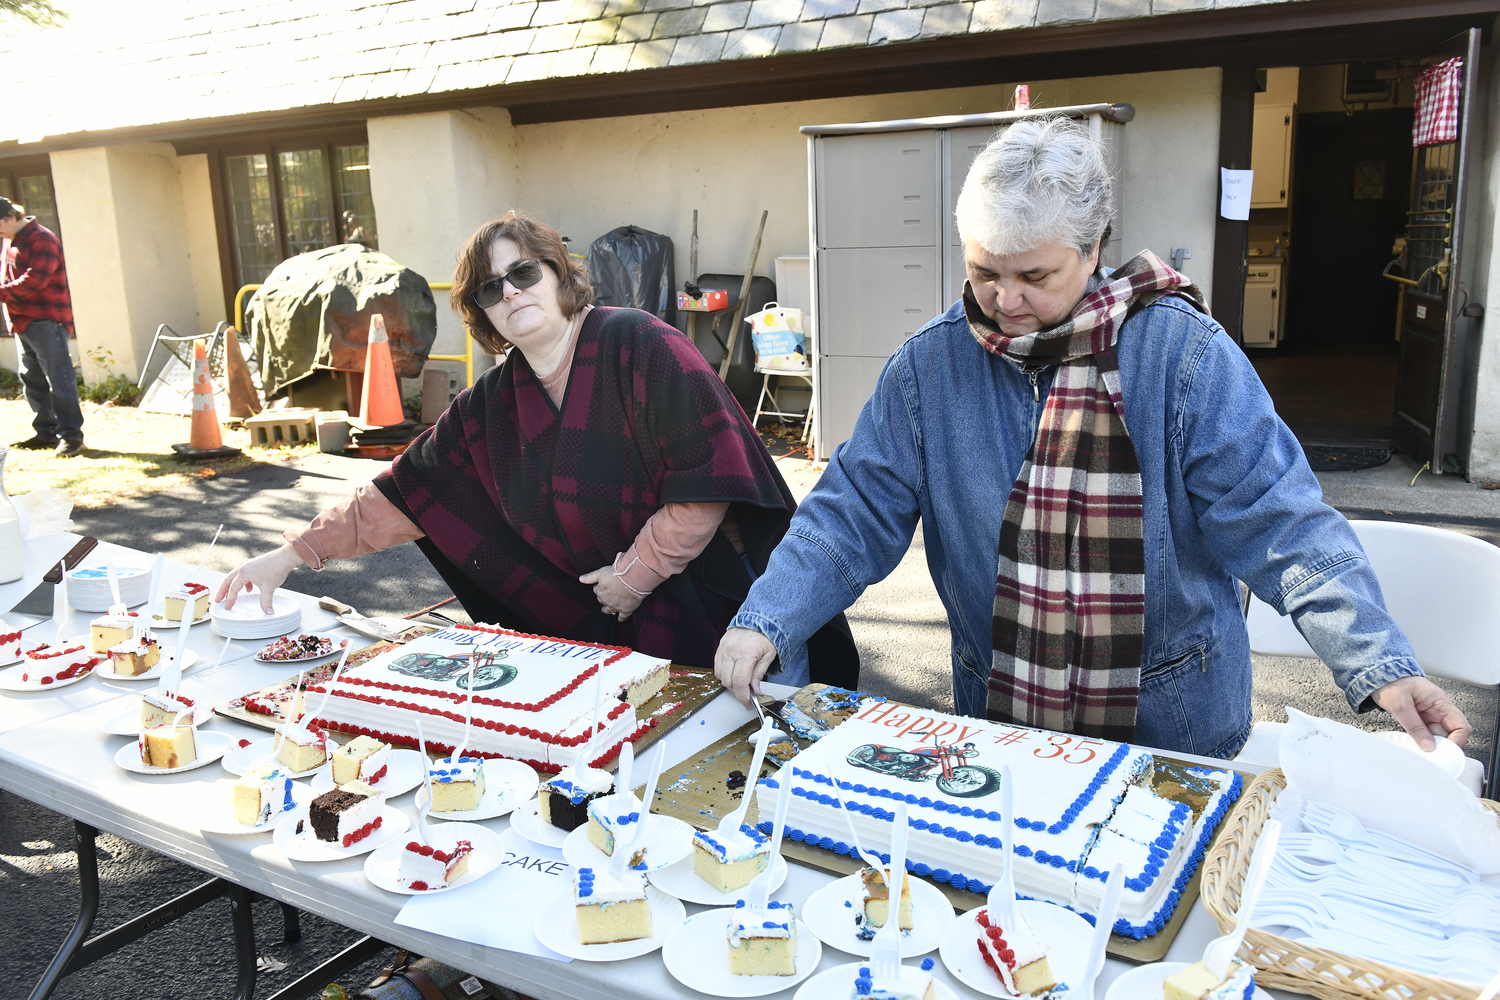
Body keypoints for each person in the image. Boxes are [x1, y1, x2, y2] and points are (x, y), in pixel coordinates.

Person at [714, 117, 1470, 759]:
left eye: (1033, 275)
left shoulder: (1183, 356)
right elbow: (850, 512)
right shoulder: (930, 368)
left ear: (1094, 246)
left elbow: (1281, 521)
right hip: (1000, 722)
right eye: (983, 271)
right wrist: (767, 617)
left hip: (1173, 730)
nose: (1004, 300)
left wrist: (1379, 664)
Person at [217, 211, 858, 678]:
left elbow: (708, 480)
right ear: (483, 314)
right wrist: (290, 554)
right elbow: (402, 496)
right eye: (491, 288)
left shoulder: (641, 343)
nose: (511, 291)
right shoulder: (488, 407)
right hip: (609, 646)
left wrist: (634, 576)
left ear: (557, 274)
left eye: (522, 272)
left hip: (727, 622)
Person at [0, 198, 83, 457]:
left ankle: (71, 437)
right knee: (32, 381)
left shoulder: (41, 238)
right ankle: (45, 434)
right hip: (22, 321)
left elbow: (35, 280)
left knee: (59, 379)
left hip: (45, 319)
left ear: (12, 216)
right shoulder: (10, 240)